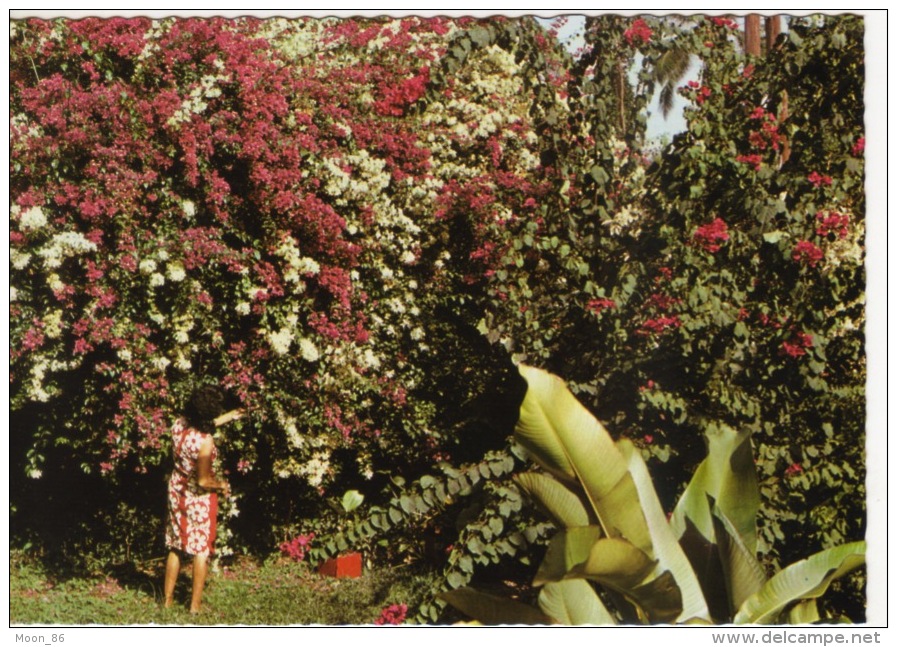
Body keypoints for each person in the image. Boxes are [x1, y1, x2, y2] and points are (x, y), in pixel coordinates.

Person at [163, 385, 243, 613]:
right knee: (201, 550)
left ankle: (167, 601)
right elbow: (204, 481)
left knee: (176, 545)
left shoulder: (179, 424)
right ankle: (195, 606)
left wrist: (228, 417)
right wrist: (223, 485)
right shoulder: (205, 442)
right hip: (197, 499)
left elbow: (200, 426)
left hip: (176, 490)